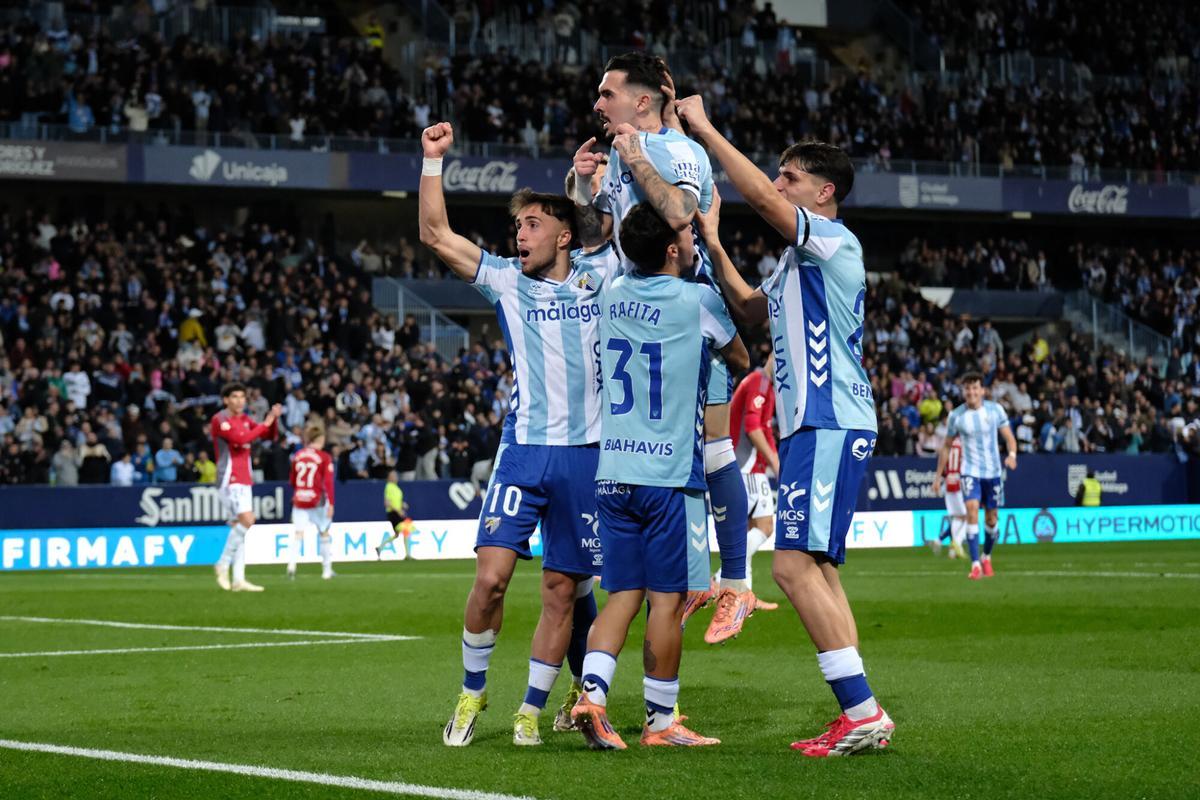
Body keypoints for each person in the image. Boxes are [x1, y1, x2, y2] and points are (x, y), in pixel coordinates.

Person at [676, 93, 895, 756]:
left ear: (823, 192)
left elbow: (771, 209)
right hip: (818, 425)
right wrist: (711, 241)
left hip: (828, 417)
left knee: (792, 570)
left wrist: (708, 131)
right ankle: (859, 710)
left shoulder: (832, 238)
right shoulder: (799, 264)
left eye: (790, 177)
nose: (777, 186)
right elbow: (749, 307)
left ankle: (862, 712)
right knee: (819, 570)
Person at [419, 121, 621, 747]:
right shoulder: (507, 279)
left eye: (532, 224)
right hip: (524, 451)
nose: (520, 234)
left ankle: (539, 709)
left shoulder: (604, 272)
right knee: (490, 579)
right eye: (517, 227)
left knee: (565, 588)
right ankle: (471, 694)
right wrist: (432, 162)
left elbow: (630, 225)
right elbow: (435, 234)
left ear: (564, 234)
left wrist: (593, 183)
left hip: (588, 455)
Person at [570, 52, 753, 636]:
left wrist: (634, 154)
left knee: (714, 447)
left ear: (641, 101)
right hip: (634, 308)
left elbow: (679, 213)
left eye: (607, 93)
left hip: (683, 307)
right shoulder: (628, 156)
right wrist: (581, 187)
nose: (598, 103)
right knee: (668, 455)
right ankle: (696, 580)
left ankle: (738, 584)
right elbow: (598, 235)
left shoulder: (675, 152)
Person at [571, 202, 745, 749]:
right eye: (687, 234)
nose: (693, 238)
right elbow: (738, 354)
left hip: (613, 471)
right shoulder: (697, 300)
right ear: (671, 250)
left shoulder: (614, 292)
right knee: (665, 601)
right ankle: (660, 723)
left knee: (620, 593)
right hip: (666, 475)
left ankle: (592, 697)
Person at [934, 373, 1019, 579]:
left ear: (982, 390)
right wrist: (938, 477)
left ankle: (986, 556)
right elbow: (946, 447)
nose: (971, 392)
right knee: (971, 510)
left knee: (991, 519)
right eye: (967, 389)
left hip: (993, 472)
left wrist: (1012, 455)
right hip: (970, 472)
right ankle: (975, 565)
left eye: (975, 388)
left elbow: (1009, 437)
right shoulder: (957, 415)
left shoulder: (995, 409)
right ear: (963, 392)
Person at [211, 382, 281, 592]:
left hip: (244, 478)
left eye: (242, 397)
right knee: (248, 520)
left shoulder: (244, 419)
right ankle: (222, 564)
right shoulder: (220, 420)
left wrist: (273, 419)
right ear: (226, 400)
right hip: (229, 478)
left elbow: (269, 435)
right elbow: (241, 438)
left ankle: (238, 579)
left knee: (239, 529)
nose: (239, 400)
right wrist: (266, 421)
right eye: (234, 397)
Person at [287, 422, 336, 580]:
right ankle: (326, 570)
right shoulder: (324, 457)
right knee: (323, 532)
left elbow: (292, 480)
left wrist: (299, 493)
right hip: (317, 500)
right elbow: (328, 483)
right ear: (320, 438)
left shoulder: (298, 455)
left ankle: (292, 565)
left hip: (300, 498)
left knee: (298, 533)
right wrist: (332, 503)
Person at [933, 434, 967, 559]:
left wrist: (938, 479)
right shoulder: (964, 442)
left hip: (948, 482)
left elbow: (943, 460)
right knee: (967, 516)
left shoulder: (948, 443)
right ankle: (956, 543)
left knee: (958, 517)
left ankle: (951, 549)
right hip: (959, 482)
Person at [376, 469, 413, 558]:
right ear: (389, 477)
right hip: (393, 513)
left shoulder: (396, 487)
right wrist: (398, 511)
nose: (396, 477)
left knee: (398, 533)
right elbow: (387, 503)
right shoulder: (389, 487)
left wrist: (402, 505)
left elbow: (396, 500)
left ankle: (380, 547)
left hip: (397, 512)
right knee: (406, 529)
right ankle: (408, 554)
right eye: (394, 475)